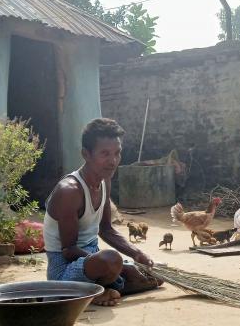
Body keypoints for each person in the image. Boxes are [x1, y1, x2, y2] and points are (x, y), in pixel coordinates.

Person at [44, 118, 162, 306]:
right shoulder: (69, 191)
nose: (113, 161)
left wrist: (137, 254)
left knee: (154, 275)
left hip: (93, 259)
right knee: (112, 260)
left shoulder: (104, 180)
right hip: (65, 270)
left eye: (117, 153)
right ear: (86, 154)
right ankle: (84, 292)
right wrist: (121, 266)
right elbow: (68, 251)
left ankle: (99, 291)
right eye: (105, 154)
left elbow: (106, 229)